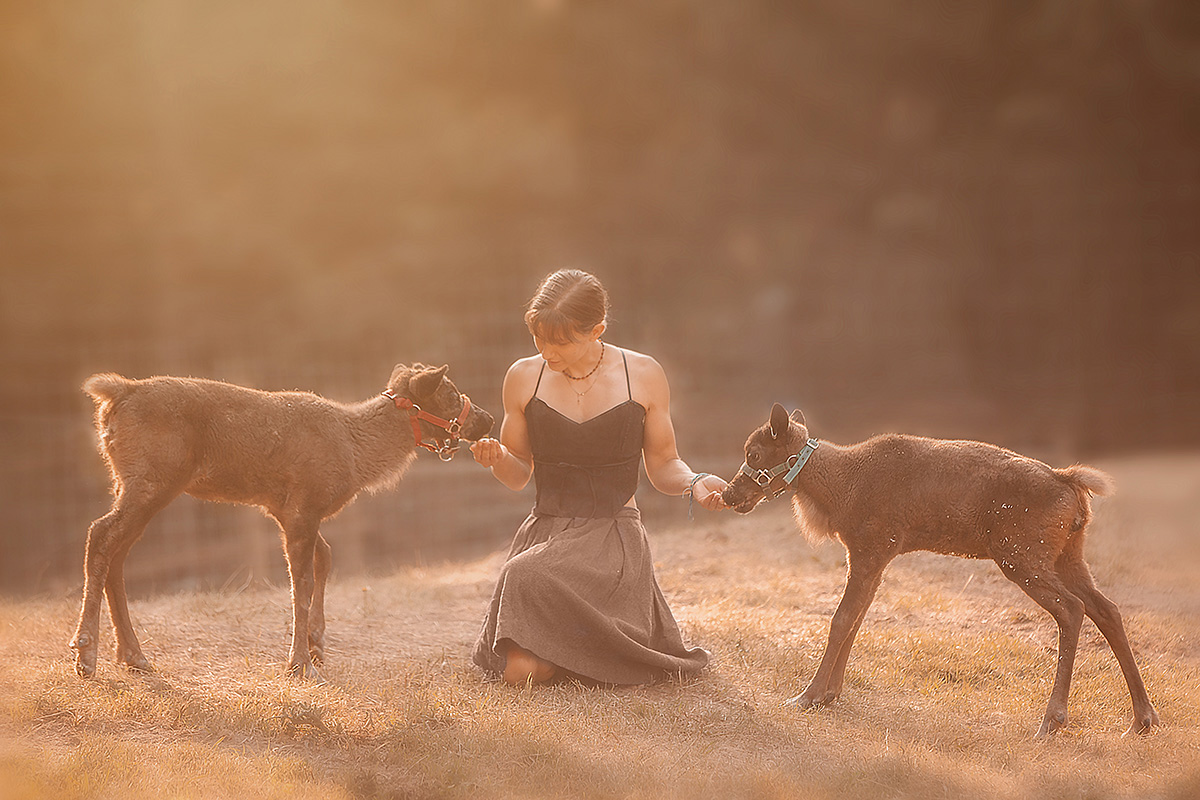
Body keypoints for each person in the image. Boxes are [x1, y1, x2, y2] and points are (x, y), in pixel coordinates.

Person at [469, 268, 727, 686]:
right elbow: (518, 473)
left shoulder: (642, 374)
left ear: (597, 330)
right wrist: (496, 457)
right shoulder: (521, 376)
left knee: (521, 576)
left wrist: (694, 482)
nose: (547, 350)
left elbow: (663, 464)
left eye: (561, 340)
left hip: (612, 538)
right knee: (517, 673)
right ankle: (570, 657)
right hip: (547, 535)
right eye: (538, 337)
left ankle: (575, 652)